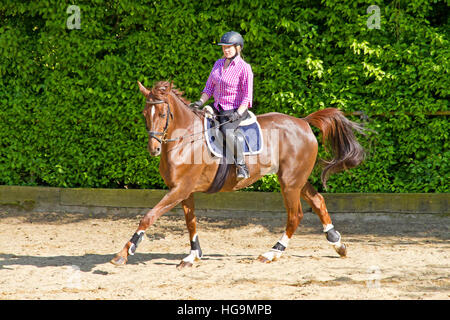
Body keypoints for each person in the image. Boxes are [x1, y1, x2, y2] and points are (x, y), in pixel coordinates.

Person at [190, 31, 254, 180]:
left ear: (238, 48)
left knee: (227, 130)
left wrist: (238, 113)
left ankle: (242, 167)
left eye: (229, 47)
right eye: (224, 47)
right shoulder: (218, 63)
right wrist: (200, 102)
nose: (226, 50)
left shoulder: (244, 68)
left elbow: (247, 96)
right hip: (218, 107)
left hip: (235, 109)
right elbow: (209, 88)